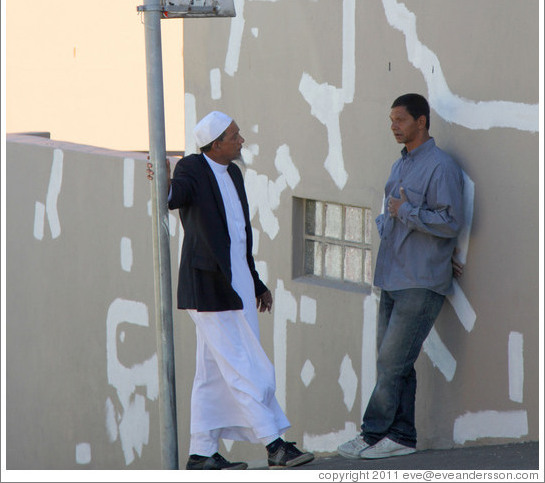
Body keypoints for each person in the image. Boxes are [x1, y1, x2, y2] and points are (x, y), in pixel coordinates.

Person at [148, 110, 314, 471]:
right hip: (208, 287)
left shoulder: (234, 172)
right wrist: (160, 179)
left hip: (237, 284)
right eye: (235, 136)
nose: (242, 141)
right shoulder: (192, 167)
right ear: (215, 144)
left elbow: (239, 236)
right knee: (244, 363)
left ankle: (202, 453)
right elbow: (172, 198)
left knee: (212, 371)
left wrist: (255, 282)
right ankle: (273, 444)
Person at [338, 93, 464, 461]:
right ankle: (401, 437)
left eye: (400, 120)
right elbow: (389, 211)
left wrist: (405, 211)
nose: (393, 127)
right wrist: (389, 218)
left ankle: (372, 433)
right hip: (392, 276)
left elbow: (451, 221)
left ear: (421, 121)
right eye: (391, 120)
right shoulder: (401, 165)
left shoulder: (441, 167)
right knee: (395, 362)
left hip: (421, 282)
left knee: (391, 363)